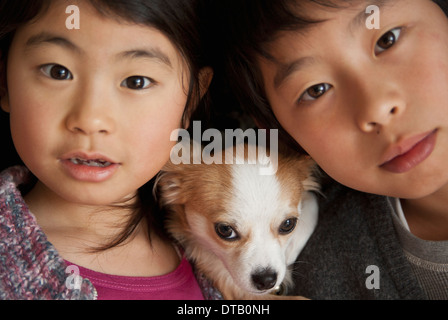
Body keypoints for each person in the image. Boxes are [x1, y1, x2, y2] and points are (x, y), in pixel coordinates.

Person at [206, 0, 448, 299]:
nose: (376, 107)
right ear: (279, 131)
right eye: (316, 90)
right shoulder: (309, 274)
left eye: (388, 40)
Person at [0, 0, 214, 300]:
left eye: (136, 82)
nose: (90, 120)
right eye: (57, 71)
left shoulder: (222, 253)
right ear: (4, 82)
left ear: (191, 100)